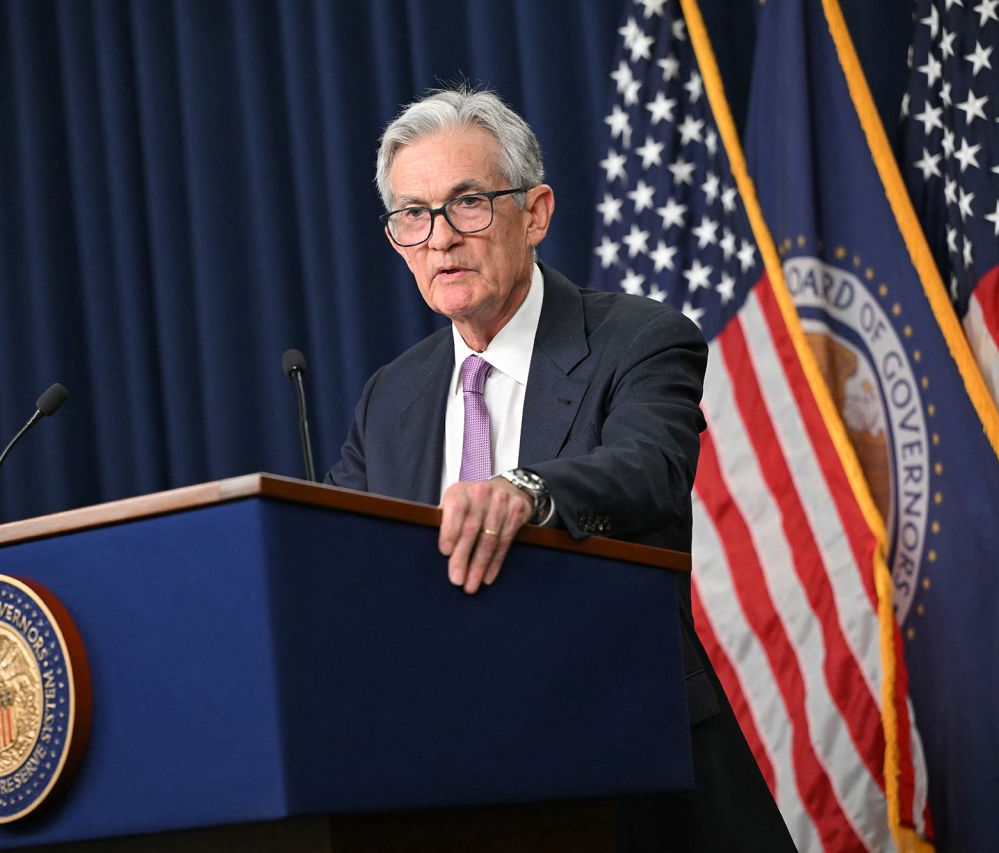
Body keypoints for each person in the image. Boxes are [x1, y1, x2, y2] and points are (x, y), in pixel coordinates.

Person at [326, 85, 795, 850]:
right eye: (414, 214)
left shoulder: (639, 339)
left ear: (536, 211)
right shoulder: (392, 397)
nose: (440, 238)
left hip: (626, 774)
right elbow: (340, 561)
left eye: (467, 202)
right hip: (444, 786)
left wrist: (528, 491)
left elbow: (650, 469)